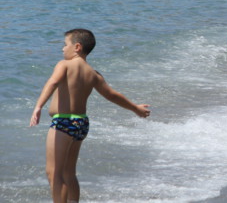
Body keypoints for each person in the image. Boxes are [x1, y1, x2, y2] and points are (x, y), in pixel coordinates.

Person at [30, 29, 150, 203]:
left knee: (54, 173)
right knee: (69, 173)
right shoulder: (93, 73)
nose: (63, 49)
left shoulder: (64, 65)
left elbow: (53, 82)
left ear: (77, 47)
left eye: (65, 45)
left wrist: (38, 106)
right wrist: (135, 108)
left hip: (63, 122)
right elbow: (112, 95)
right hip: (81, 123)